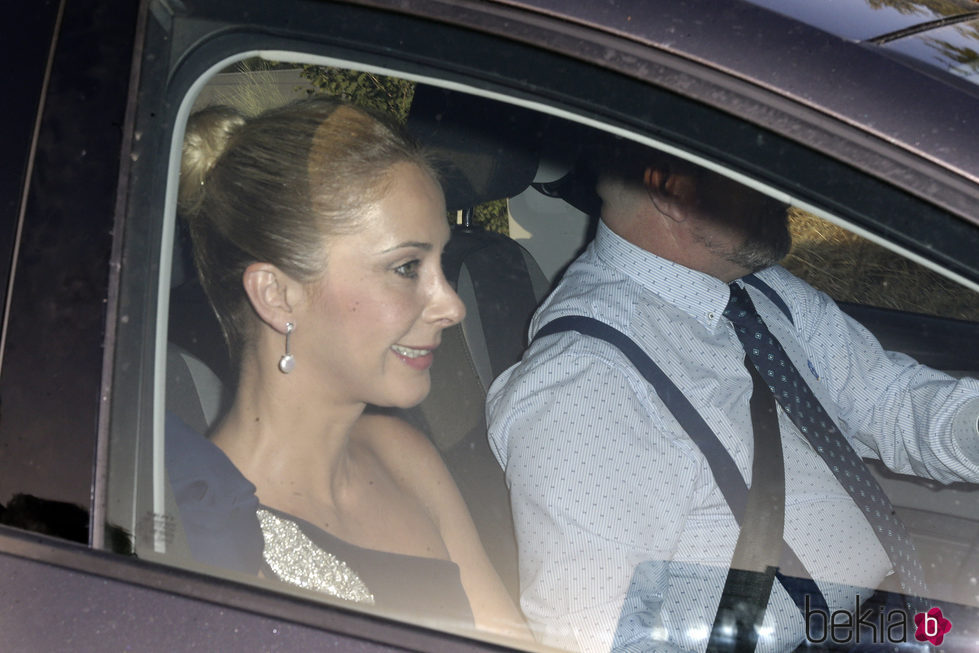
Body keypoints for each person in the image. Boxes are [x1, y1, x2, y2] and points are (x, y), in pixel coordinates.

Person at [486, 142, 979, 652]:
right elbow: (597, 638)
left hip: (895, 622)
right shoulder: (588, 383)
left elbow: (887, 400)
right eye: (755, 166)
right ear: (670, 189)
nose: (783, 188)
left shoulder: (760, 291)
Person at [170, 97, 529, 640]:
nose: (451, 305)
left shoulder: (404, 456)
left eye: (440, 262)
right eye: (407, 267)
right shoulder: (206, 531)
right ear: (277, 294)